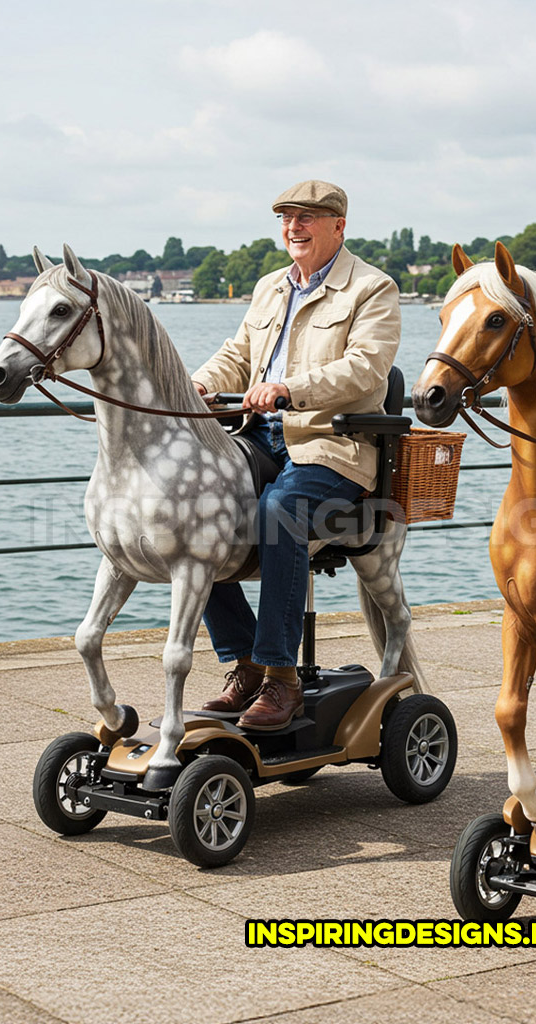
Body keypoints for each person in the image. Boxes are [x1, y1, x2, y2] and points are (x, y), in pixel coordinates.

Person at [191, 180, 400, 730]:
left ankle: (282, 679)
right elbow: (237, 356)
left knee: (279, 512)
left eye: (308, 217)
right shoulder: (269, 287)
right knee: (198, 508)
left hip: (334, 444)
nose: (294, 227)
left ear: (339, 226)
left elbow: (366, 367)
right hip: (258, 435)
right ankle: (243, 664)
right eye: (286, 217)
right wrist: (197, 385)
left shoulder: (373, 289)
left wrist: (290, 388)